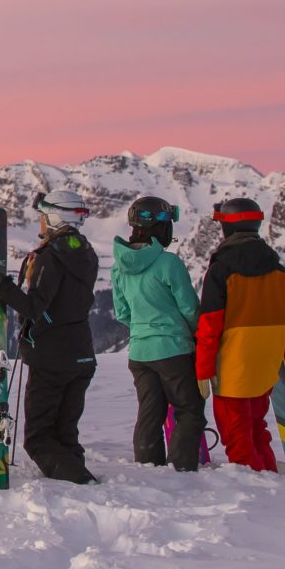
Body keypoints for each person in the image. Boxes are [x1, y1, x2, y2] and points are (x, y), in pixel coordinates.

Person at [0, 187, 99, 484]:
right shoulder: (86, 251)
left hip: (52, 358)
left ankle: (81, 483)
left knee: (38, 439)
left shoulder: (50, 256)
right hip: (81, 355)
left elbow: (33, 306)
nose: (40, 222)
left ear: (55, 217)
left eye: (43, 216)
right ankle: (79, 483)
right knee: (65, 433)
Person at [195, 196, 285, 473]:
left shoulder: (221, 270)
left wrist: (203, 369)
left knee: (237, 435)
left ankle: (257, 490)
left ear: (226, 228)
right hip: (265, 366)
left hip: (233, 367)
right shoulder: (278, 270)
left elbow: (210, 324)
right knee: (257, 427)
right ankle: (269, 475)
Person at [111, 195, 206, 472]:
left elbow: (122, 313)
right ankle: (181, 469)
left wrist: (143, 330)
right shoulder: (169, 263)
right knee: (189, 410)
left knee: (150, 413)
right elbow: (189, 308)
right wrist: (196, 336)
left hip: (139, 352)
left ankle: (148, 469)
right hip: (174, 349)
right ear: (160, 227)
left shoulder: (119, 267)